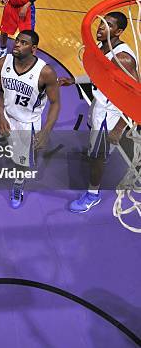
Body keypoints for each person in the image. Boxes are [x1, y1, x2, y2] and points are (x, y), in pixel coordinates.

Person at [58, 12, 138, 213]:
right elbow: (99, 76)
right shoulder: (102, 48)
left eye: (108, 25)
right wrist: (75, 80)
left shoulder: (123, 59)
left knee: (98, 158)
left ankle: (92, 195)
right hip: (99, 104)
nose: (101, 28)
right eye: (101, 24)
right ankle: (99, 154)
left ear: (119, 31)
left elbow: (135, 96)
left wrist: (119, 128)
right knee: (94, 145)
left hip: (109, 115)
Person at [0, 30, 60, 208]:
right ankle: (8, 145)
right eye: (17, 41)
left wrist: (46, 131)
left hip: (27, 122)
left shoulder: (46, 73)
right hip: (5, 112)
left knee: (21, 162)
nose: (17, 44)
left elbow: (55, 103)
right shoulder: (1, 63)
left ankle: (18, 185)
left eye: (23, 43)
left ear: (34, 48)